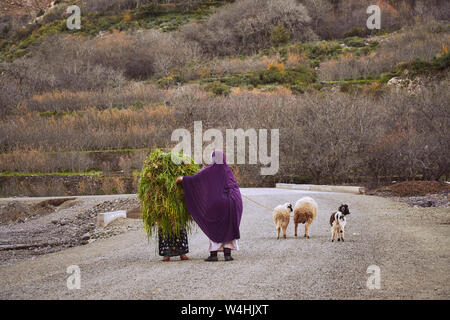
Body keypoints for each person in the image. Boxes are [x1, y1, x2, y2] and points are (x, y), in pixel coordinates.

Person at [176, 149, 243, 262]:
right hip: (232, 202)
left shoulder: (210, 170)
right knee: (229, 226)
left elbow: (196, 179)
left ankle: (214, 255)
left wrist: (183, 179)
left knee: (215, 226)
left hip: (217, 204)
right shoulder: (228, 170)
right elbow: (233, 186)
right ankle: (227, 254)